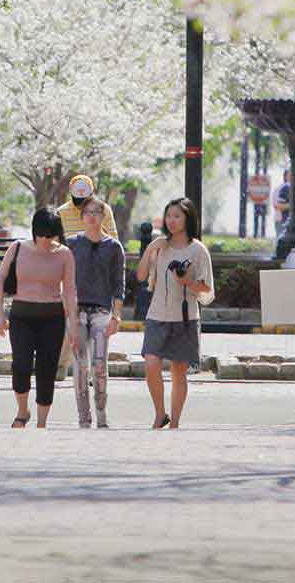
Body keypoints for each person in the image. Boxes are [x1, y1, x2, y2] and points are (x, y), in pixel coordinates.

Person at [0, 208, 78, 428]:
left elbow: (69, 290)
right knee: (20, 364)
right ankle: (22, 411)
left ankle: (42, 422)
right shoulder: (18, 248)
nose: (45, 240)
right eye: (41, 235)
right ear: (34, 232)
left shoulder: (64, 254)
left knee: (46, 369)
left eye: (50, 236)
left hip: (52, 317)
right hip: (22, 315)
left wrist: (74, 325)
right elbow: (0, 279)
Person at [137, 197, 214, 429]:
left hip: (185, 317)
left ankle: (175, 422)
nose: (171, 221)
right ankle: (160, 413)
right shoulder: (159, 247)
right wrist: (150, 247)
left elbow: (207, 289)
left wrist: (187, 282)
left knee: (179, 372)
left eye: (177, 216)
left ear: (187, 219)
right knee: (151, 363)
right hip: (157, 315)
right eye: (169, 216)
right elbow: (141, 276)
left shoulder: (198, 250)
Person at [66, 197, 125, 429]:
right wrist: (69, 317)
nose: (91, 216)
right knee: (80, 366)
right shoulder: (71, 244)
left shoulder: (113, 247)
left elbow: (119, 284)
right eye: (87, 212)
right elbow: (66, 284)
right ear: (81, 217)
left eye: (96, 212)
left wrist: (117, 316)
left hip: (102, 311)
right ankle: (83, 416)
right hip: (77, 312)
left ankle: (101, 412)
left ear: (104, 216)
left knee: (100, 364)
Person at [53, 174, 119, 239]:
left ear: (91, 194)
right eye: (77, 199)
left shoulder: (104, 210)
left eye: (85, 201)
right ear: (71, 193)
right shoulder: (60, 212)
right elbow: (54, 240)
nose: (81, 205)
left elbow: (113, 238)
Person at [273, 170, 293, 236]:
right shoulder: (283, 188)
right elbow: (277, 205)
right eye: (290, 175)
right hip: (281, 220)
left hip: (284, 220)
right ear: (286, 176)